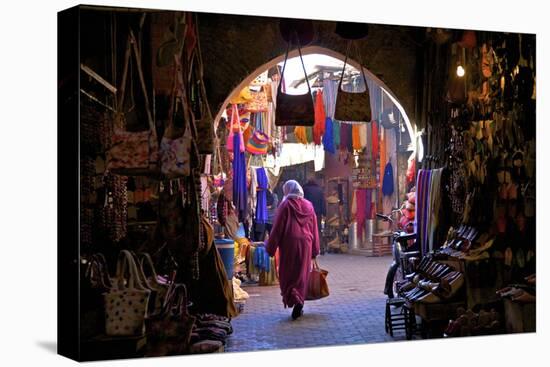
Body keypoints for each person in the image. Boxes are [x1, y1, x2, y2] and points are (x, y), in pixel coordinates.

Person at [266, 180, 320, 320]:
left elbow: (277, 228)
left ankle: (294, 298)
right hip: (306, 244)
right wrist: (315, 250)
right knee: (301, 274)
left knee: (288, 272)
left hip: (289, 243)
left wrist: (270, 248)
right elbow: (314, 228)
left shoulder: (285, 205)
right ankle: (299, 302)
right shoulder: (309, 206)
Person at [302, 175, 327, 254]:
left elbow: (303, 201)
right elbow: (323, 202)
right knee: (318, 230)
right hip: (318, 213)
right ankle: (321, 249)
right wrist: (324, 213)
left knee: (307, 230)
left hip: (307, 213)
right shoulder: (319, 190)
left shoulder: (305, 189)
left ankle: (308, 249)